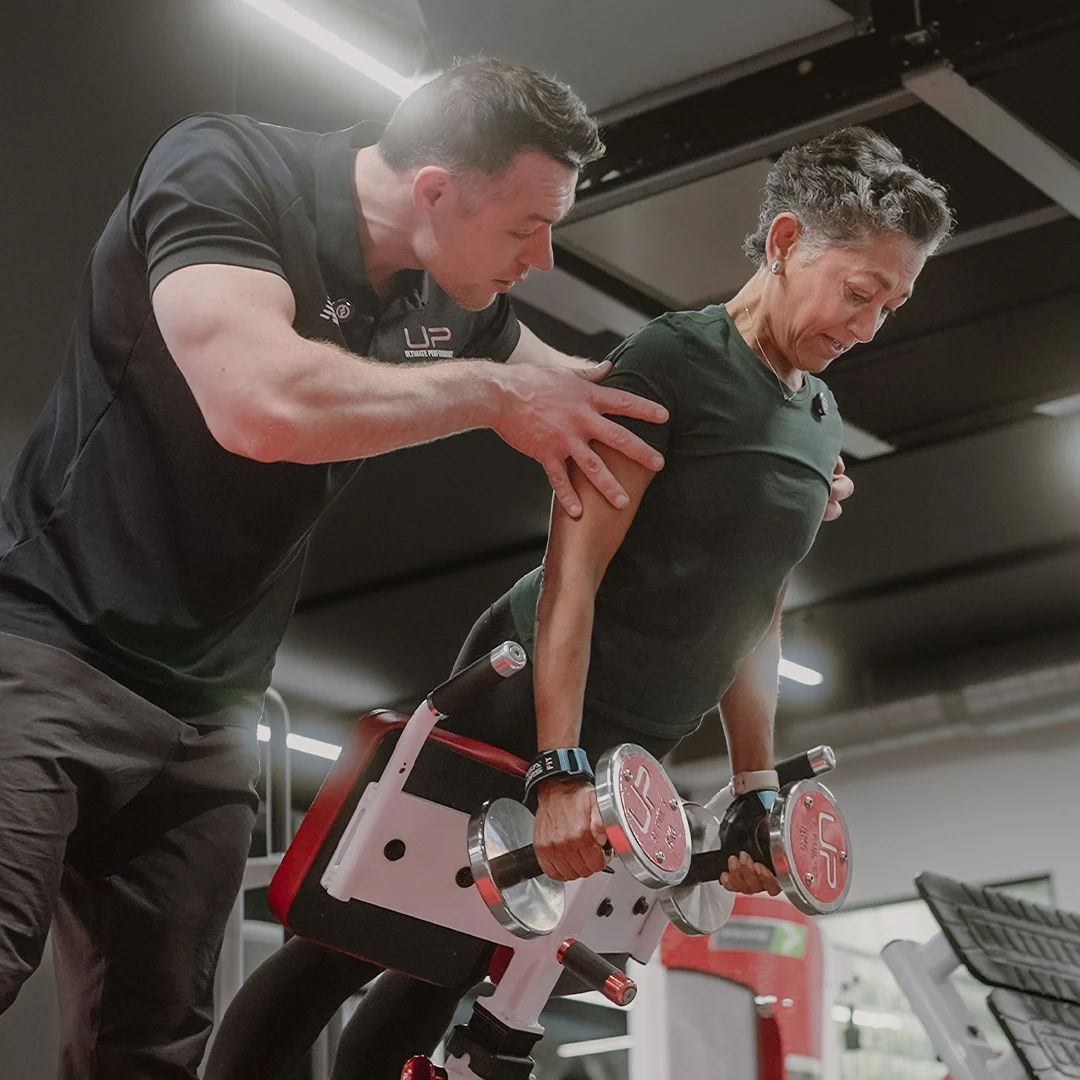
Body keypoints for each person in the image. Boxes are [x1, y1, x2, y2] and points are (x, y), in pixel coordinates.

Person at [0, 56, 714, 1079]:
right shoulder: (225, 173)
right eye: (524, 227)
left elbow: (597, 400)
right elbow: (262, 406)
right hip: (46, 646)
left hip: (206, 711)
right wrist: (494, 399)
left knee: (149, 1046)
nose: (544, 257)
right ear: (434, 190)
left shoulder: (449, 294)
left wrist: (762, 461)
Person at [205, 125, 952, 1080]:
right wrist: (557, 767)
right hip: (527, 699)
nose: (868, 325)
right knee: (358, 935)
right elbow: (573, 577)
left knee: (456, 963)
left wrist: (758, 786)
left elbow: (755, 611)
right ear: (785, 242)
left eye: (892, 303)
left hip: (634, 739)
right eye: (859, 292)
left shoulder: (818, 421)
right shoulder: (677, 363)